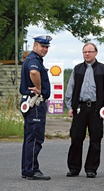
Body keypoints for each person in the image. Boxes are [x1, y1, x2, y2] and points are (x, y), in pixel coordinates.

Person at [65, 42, 104, 178]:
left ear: (95, 53)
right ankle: (74, 168)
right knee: (76, 138)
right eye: (85, 52)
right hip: (79, 108)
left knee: (95, 139)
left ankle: (91, 169)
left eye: (90, 52)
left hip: (96, 109)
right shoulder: (77, 69)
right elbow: (70, 89)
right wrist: (70, 107)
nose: (87, 54)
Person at [19, 34, 52, 180]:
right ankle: (31, 170)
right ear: (35, 46)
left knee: (30, 137)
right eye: (42, 46)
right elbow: (34, 72)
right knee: (34, 138)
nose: (45, 49)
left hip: (31, 102)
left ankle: (28, 168)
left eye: (46, 47)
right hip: (35, 102)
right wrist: (38, 88)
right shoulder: (33, 60)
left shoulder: (34, 59)